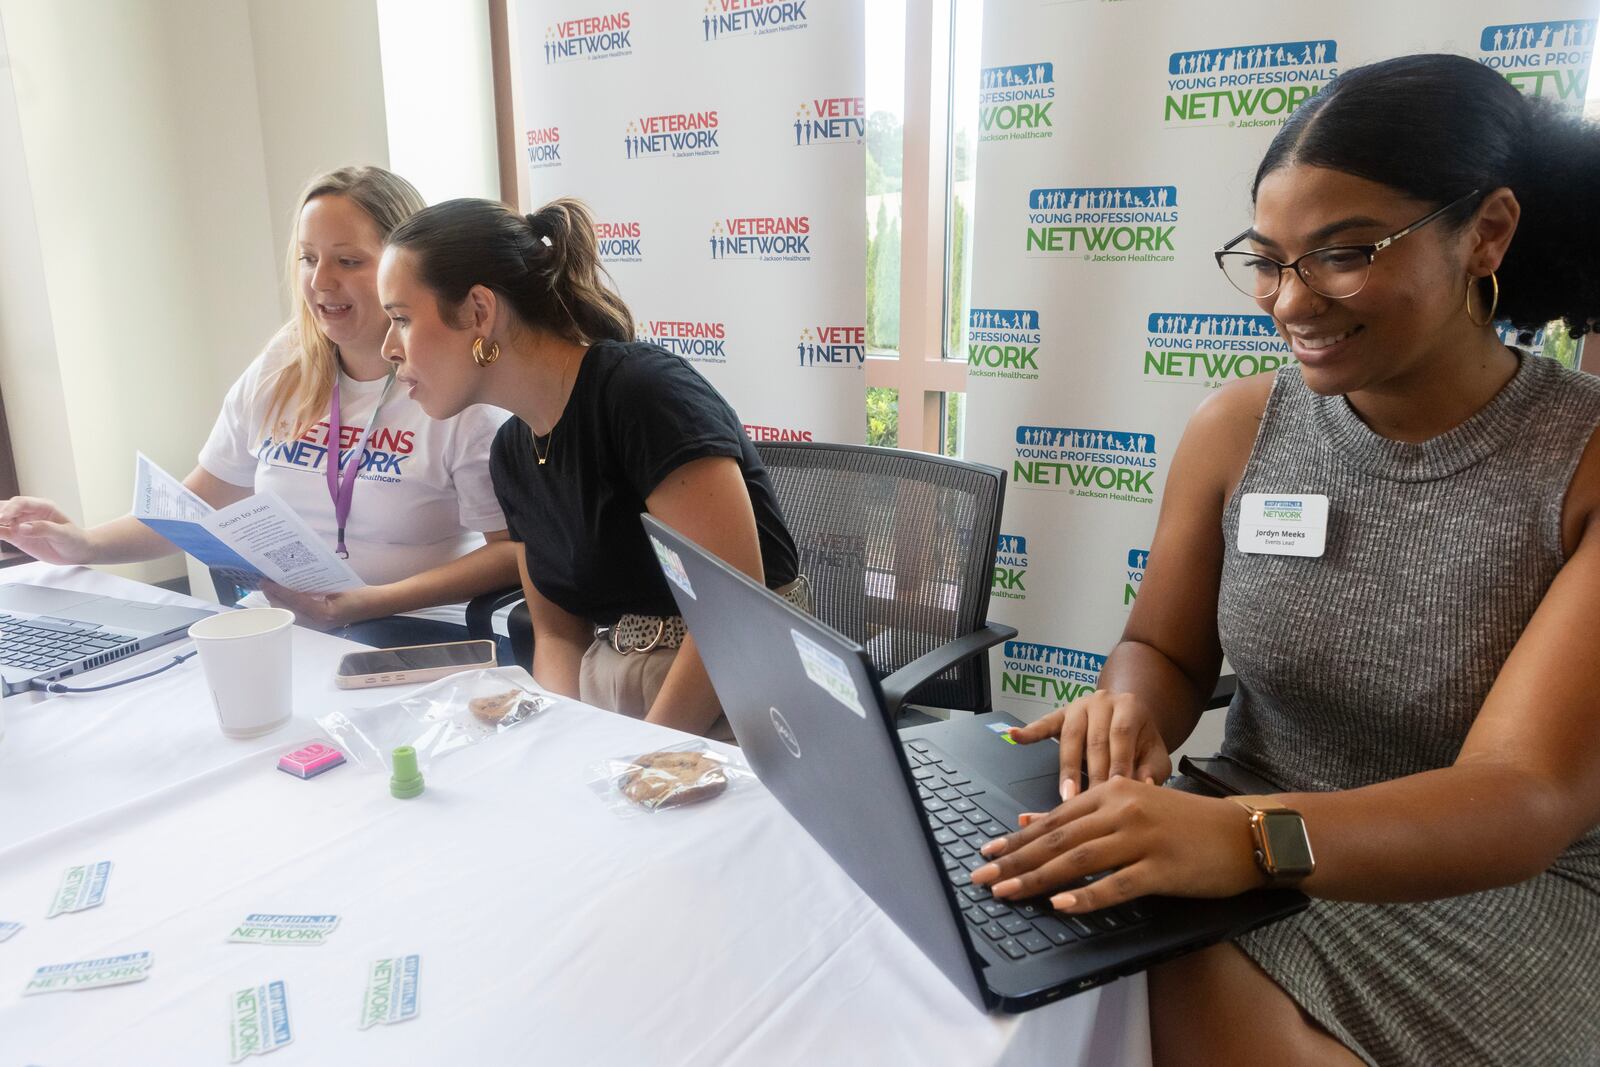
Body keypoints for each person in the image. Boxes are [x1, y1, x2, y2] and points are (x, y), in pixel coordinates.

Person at [969, 54, 1600, 1066]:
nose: (1289, 300)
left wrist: (1240, 840)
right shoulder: (1236, 429)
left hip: (1490, 892)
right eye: (1266, 258)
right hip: (1232, 825)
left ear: (1486, 231)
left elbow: (1521, 794)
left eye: (1344, 253)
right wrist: (1127, 705)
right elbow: (1160, 651)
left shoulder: (1579, 464)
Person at [0, 167, 517, 647]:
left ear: (402, 268)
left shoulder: (456, 386)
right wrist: (85, 544)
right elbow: (199, 504)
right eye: (308, 258)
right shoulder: (285, 362)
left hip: (413, 630)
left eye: (348, 261)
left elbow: (510, 554)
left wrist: (364, 604)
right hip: (290, 624)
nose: (320, 282)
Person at [377, 196, 801, 738]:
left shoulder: (643, 395)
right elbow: (556, 635)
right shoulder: (511, 452)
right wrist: (565, 742)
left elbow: (734, 616)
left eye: (402, 319)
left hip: (750, 696)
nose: (389, 347)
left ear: (479, 311)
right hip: (623, 698)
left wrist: (644, 758)